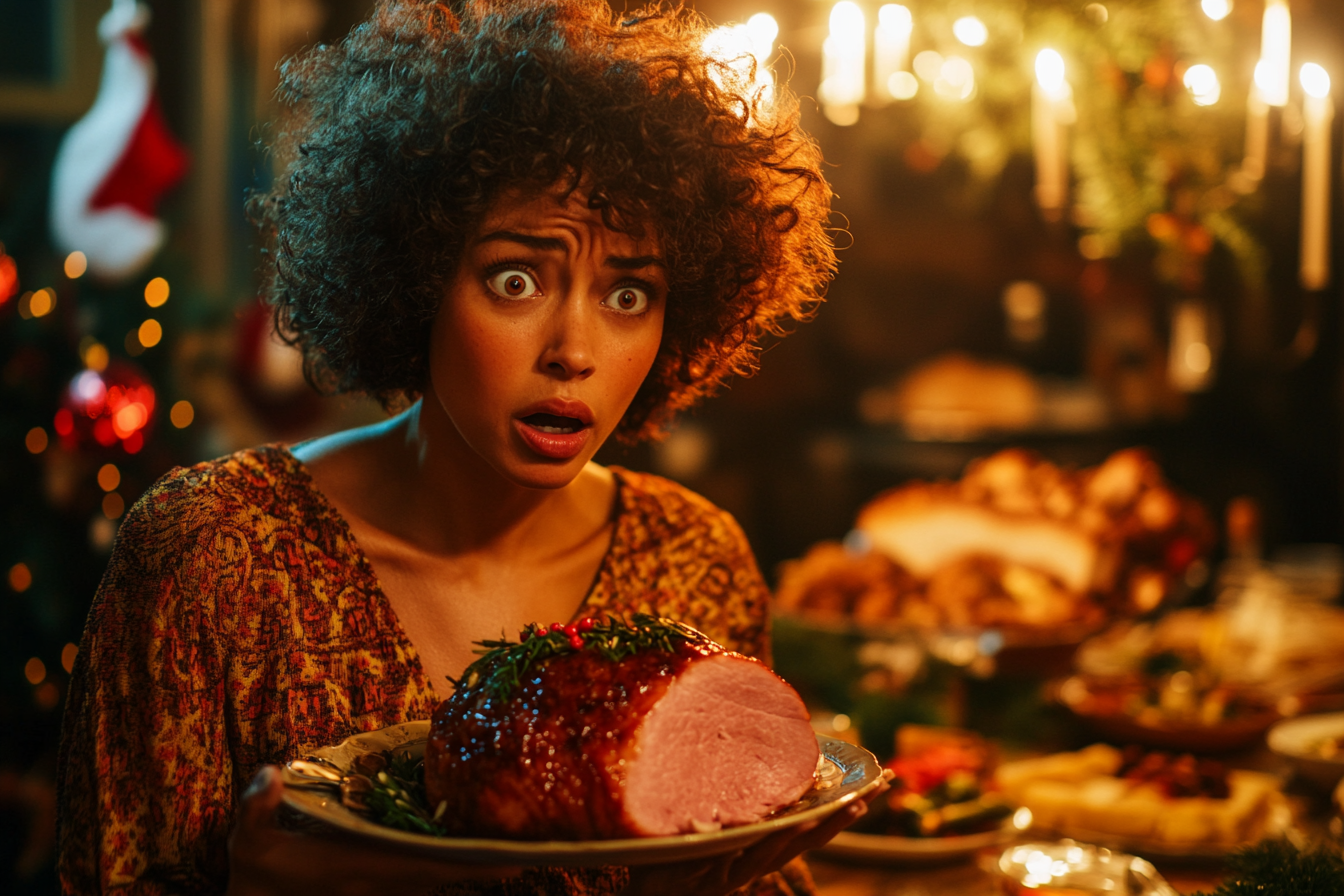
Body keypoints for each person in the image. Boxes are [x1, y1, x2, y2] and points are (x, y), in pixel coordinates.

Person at [58, 1, 865, 893]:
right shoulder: (213, 556)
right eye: (515, 279)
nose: (575, 350)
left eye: (628, 294)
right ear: (415, 278)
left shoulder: (695, 561)